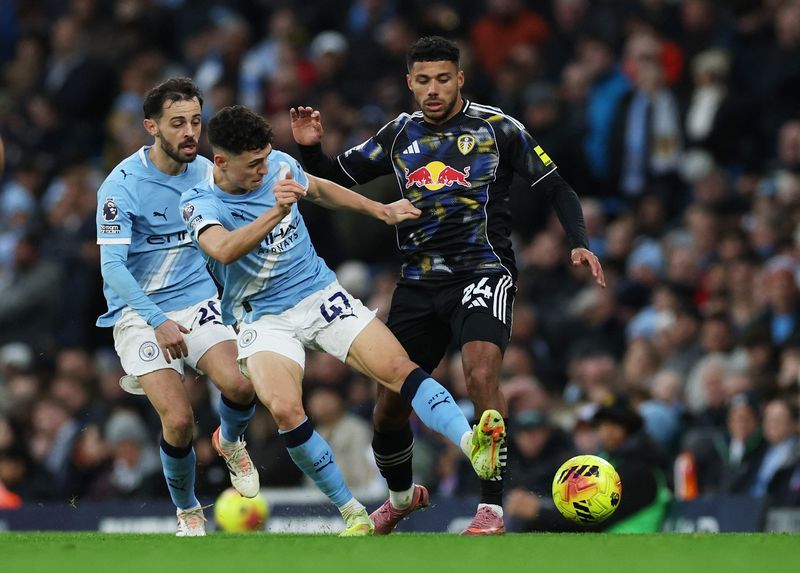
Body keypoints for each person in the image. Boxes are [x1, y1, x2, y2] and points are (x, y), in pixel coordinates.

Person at [291, 35, 605, 535]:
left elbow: (556, 186)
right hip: (418, 281)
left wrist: (580, 240)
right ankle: (398, 498)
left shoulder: (497, 128)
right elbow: (335, 179)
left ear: (460, 78)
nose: (433, 89)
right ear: (410, 83)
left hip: (482, 271)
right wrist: (310, 149)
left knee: (480, 375)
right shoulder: (398, 134)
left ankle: (491, 509)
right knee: (390, 404)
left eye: (443, 78)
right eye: (423, 80)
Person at [179, 104, 506, 536]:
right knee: (285, 410)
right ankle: (352, 512)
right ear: (221, 162)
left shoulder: (279, 164)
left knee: (398, 370)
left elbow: (319, 189)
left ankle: (472, 445)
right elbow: (222, 250)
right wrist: (275, 213)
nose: (263, 169)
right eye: (252, 164)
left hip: (319, 294)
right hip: (264, 315)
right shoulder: (198, 200)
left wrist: (380, 210)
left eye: (265, 158)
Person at [96, 78, 259, 536]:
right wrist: (156, 320)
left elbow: (231, 237)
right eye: (178, 123)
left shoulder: (209, 173)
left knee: (242, 387)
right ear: (152, 127)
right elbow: (112, 268)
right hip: (138, 313)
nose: (191, 132)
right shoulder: (120, 186)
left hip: (196, 300)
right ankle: (188, 510)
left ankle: (228, 442)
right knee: (180, 418)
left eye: (195, 121)